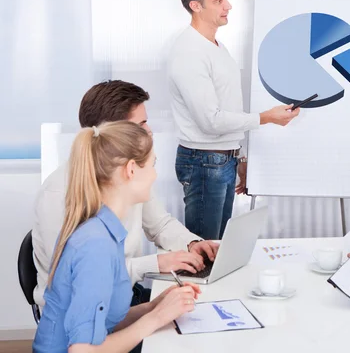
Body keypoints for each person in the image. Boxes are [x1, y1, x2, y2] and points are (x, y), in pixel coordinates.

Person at [33, 80, 218, 308]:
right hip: (79, 313)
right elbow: (77, 280)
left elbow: (159, 224)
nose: (149, 132)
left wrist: (191, 243)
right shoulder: (58, 194)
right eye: (141, 124)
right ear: (114, 132)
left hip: (122, 295)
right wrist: (154, 263)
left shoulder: (128, 175)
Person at [33, 121, 201, 352]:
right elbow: (82, 350)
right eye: (152, 165)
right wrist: (157, 318)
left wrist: (155, 307)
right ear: (131, 169)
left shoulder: (106, 230)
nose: (154, 175)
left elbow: (102, 322)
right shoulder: (96, 246)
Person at [167, 0, 300, 240]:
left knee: (217, 247)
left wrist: (237, 156)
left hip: (219, 160)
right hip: (205, 163)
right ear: (195, 6)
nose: (228, 6)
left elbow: (227, 108)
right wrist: (267, 117)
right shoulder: (189, 52)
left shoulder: (216, 46)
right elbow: (211, 121)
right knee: (205, 252)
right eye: (218, 1)